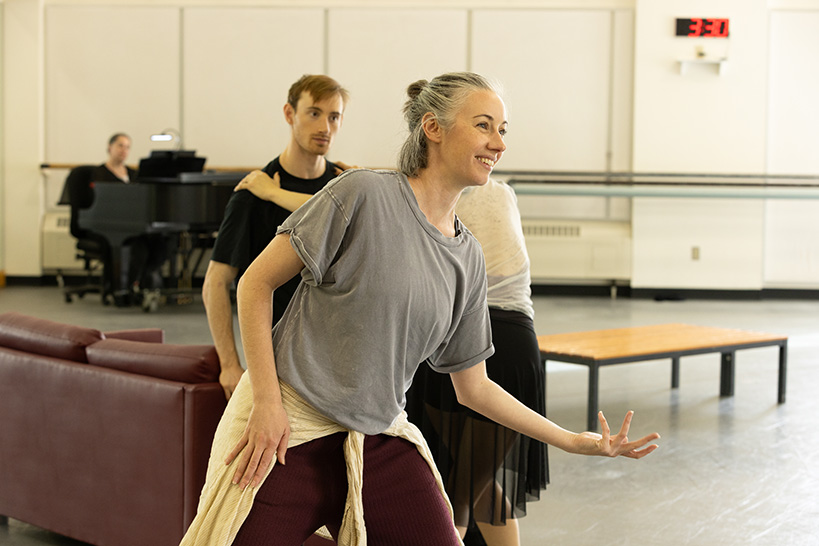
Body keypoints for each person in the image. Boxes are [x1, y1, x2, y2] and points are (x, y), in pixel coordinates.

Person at [179, 72, 659, 546]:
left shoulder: (467, 256)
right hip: (289, 428)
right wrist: (265, 403)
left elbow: (474, 388)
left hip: (378, 438)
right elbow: (253, 283)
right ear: (433, 128)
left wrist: (571, 440)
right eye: (484, 125)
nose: (499, 144)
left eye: (503, 131)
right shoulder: (362, 193)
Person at [407, 178, 546, 546]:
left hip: (465, 343)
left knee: (461, 495)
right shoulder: (502, 191)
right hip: (494, 345)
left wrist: (272, 192)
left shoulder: (430, 194)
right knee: (473, 484)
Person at [201, 74, 350, 400]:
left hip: (340, 353)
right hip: (278, 358)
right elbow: (215, 281)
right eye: (314, 113)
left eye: (334, 116)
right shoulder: (251, 194)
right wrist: (229, 363)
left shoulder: (344, 184)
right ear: (289, 114)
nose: (325, 126)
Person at [92, 133, 170, 303]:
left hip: (136, 224)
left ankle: (142, 284)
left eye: (127, 147)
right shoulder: (98, 173)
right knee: (138, 248)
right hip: (109, 224)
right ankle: (121, 290)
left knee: (161, 244)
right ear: (109, 147)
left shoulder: (135, 174)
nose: (124, 150)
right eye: (120, 145)